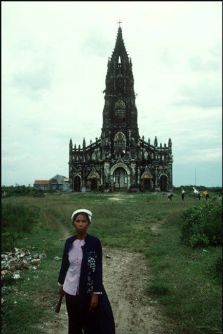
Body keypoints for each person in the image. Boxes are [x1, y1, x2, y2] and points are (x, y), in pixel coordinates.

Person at [58, 209, 115, 334]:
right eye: (77, 221)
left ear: (88, 224)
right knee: (73, 323)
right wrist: (61, 285)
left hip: (87, 292)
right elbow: (65, 265)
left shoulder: (94, 243)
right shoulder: (69, 242)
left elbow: (98, 268)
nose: (80, 224)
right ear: (74, 223)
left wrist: (96, 293)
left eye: (83, 221)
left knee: (90, 324)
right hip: (70, 291)